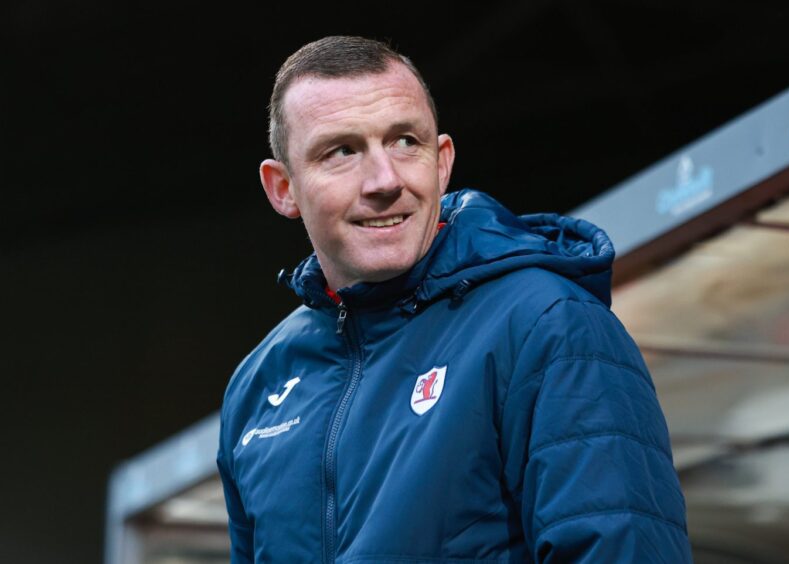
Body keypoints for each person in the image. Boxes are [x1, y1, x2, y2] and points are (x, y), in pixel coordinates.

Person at [217, 35, 692, 563]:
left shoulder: (547, 323)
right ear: (282, 188)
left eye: (404, 142)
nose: (384, 180)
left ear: (442, 162)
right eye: (342, 151)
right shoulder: (260, 382)